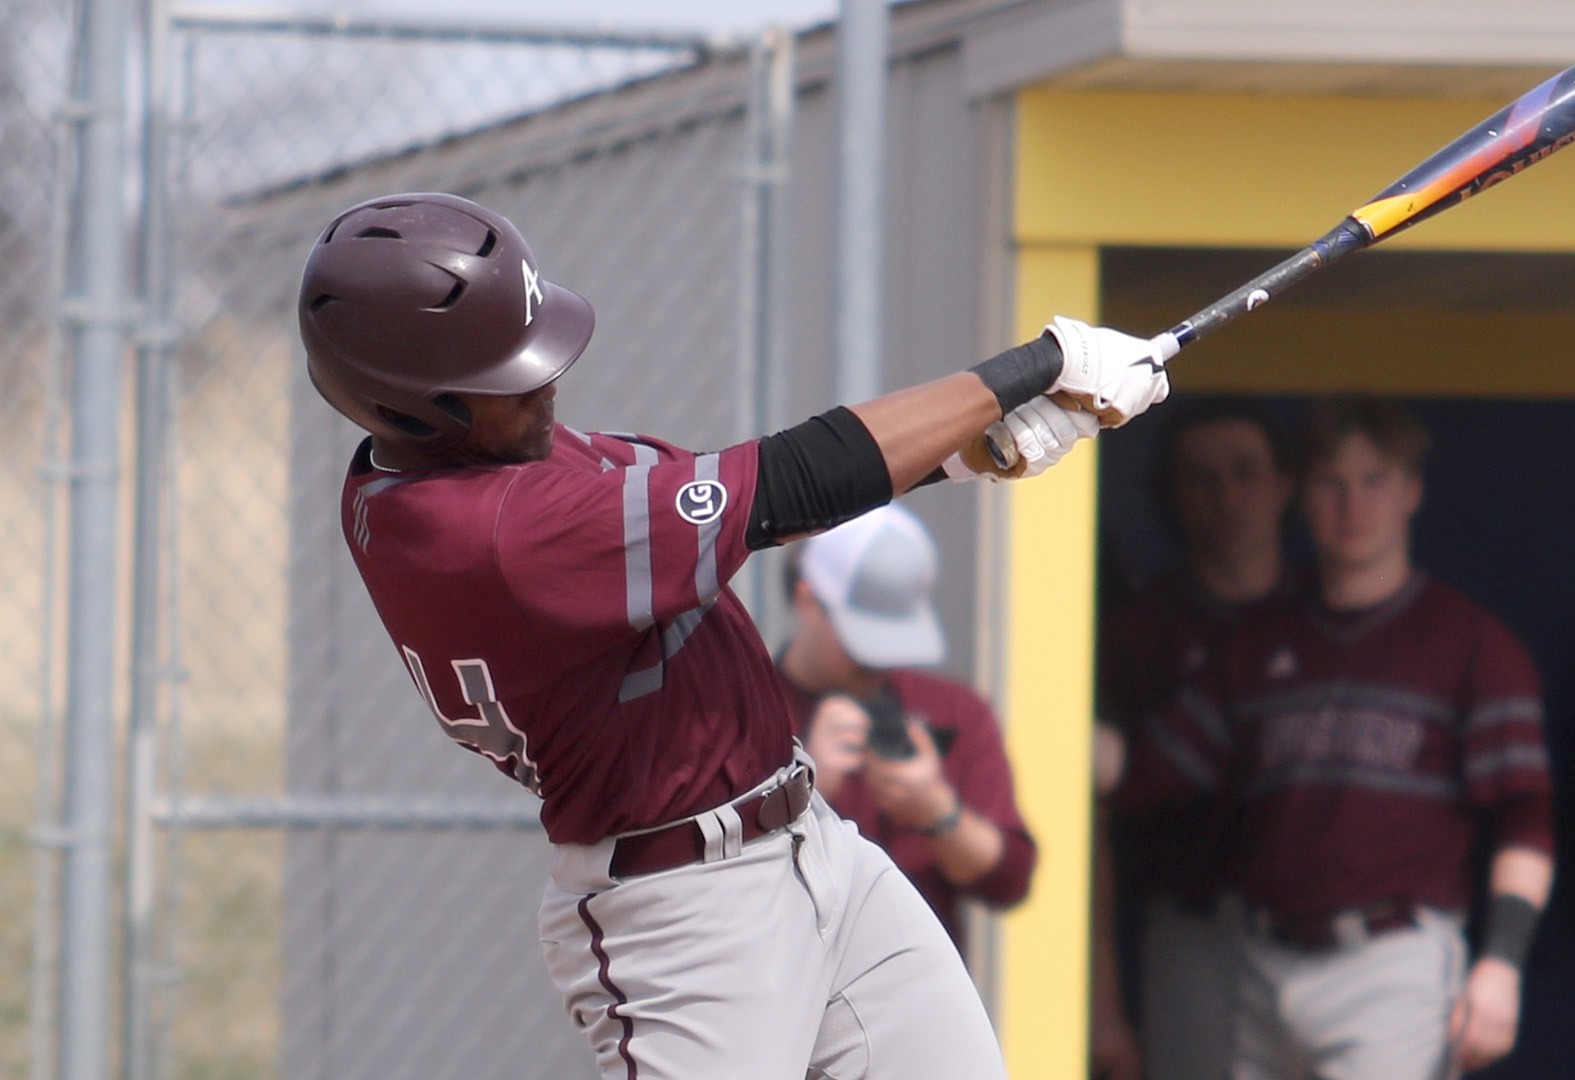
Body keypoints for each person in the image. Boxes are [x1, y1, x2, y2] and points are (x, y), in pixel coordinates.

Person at [296, 191, 1166, 1078]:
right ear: (411, 409)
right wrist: (1038, 364)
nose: (547, 380)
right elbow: (785, 482)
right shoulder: (495, 536)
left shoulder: (460, 465)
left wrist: (965, 451)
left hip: (816, 845)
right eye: (509, 377)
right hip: (685, 910)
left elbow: (748, 511)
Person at [1228, 393, 1555, 1080]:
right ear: (1301, 497)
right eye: (1332, 484)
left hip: (1394, 958)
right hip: (1261, 954)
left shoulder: (1472, 644)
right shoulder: (1262, 637)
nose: (1353, 506)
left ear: (1411, 493)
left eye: (1374, 482)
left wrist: (1501, 965)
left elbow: (1526, 820)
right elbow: (1156, 768)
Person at [1093, 399, 1296, 1080]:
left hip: (1334, 932)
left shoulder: (1330, 617)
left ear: (1283, 486)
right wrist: (1104, 1007)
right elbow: (1090, 813)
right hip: (1189, 924)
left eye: (1245, 473)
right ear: (1171, 496)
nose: (1226, 496)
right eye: (1201, 479)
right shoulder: (1138, 631)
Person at [777, 503, 1036, 955]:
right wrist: (803, 794)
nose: (878, 661)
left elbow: (1010, 880)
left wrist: (939, 811)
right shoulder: (745, 713)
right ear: (806, 601)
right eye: (862, 639)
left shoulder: (953, 711)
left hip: (916, 993)